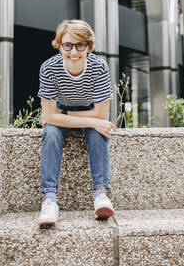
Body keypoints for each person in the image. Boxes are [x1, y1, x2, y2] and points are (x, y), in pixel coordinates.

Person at [37, 19, 117, 225]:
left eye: (80, 45)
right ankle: (50, 201)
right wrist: (90, 120)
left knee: (98, 131)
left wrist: (62, 115)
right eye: (67, 45)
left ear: (89, 46)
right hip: (69, 115)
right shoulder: (49, 68)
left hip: (82, 112)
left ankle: (101, 195)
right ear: (59, 45)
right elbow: (50, 119)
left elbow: (100, 114)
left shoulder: (99, 67)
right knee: (51, 133)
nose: (74, 52)